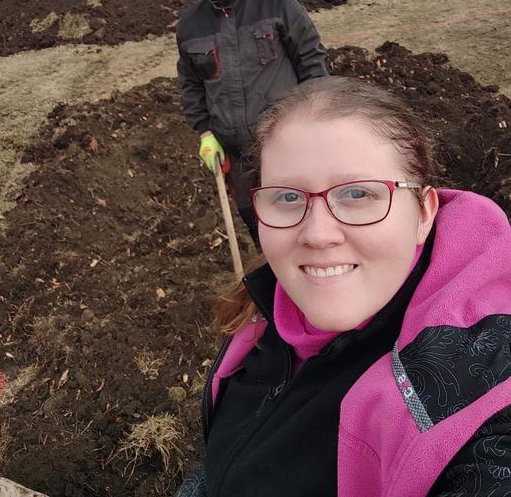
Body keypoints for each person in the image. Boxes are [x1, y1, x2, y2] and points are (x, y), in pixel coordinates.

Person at [177, 75, 510, 497]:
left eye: (357, 194)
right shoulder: (264, 315)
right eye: (287, 197)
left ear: (424, 213)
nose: (317, 235)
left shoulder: (482, 393)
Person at [176, 0, 328, 242]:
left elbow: (312, 61)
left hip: (285, 144)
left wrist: (315, 121)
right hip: (236, 155)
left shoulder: (277, 1)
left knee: (297, 223)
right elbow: (191, 82)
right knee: (259, 230)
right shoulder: (190, 24)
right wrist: (205, 133)